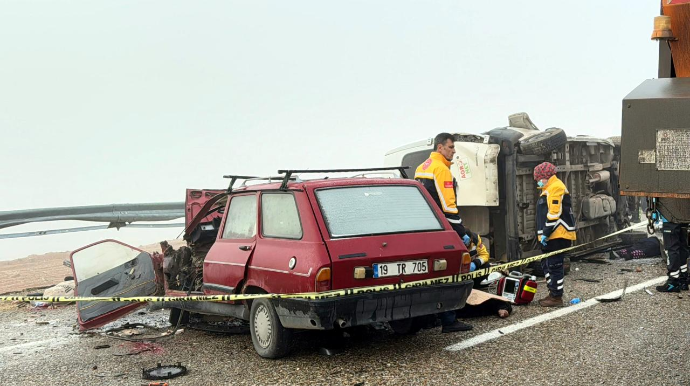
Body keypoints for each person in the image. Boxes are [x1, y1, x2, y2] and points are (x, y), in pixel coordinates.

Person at [415, 132, 472, 333]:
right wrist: (461, 232)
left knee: (426, 275)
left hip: (423, 230)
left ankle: (428, 318)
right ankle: (449, 320)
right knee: (451, 274)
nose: (454, 151)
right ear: (440, 148)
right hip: (443, 231)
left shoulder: (421, 168)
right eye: (451, 147)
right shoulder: (441, 170)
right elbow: (449, 207)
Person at [534, 162, 576, 307]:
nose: (537, 180)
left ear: (545, 176)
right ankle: (552, 292)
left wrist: (546, 233)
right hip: (552, 235)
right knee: (546, 264)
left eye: (538, 177)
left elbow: (554, 213)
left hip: (558, 235)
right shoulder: (548, 188)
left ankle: (556, 297)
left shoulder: (556, 187)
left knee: (554, 265)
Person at [655, 213, 690, 292]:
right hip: (683, 215)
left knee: (671, 248)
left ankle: (673, 281)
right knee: (682, 246)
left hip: (669, 215)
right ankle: (683, 279)